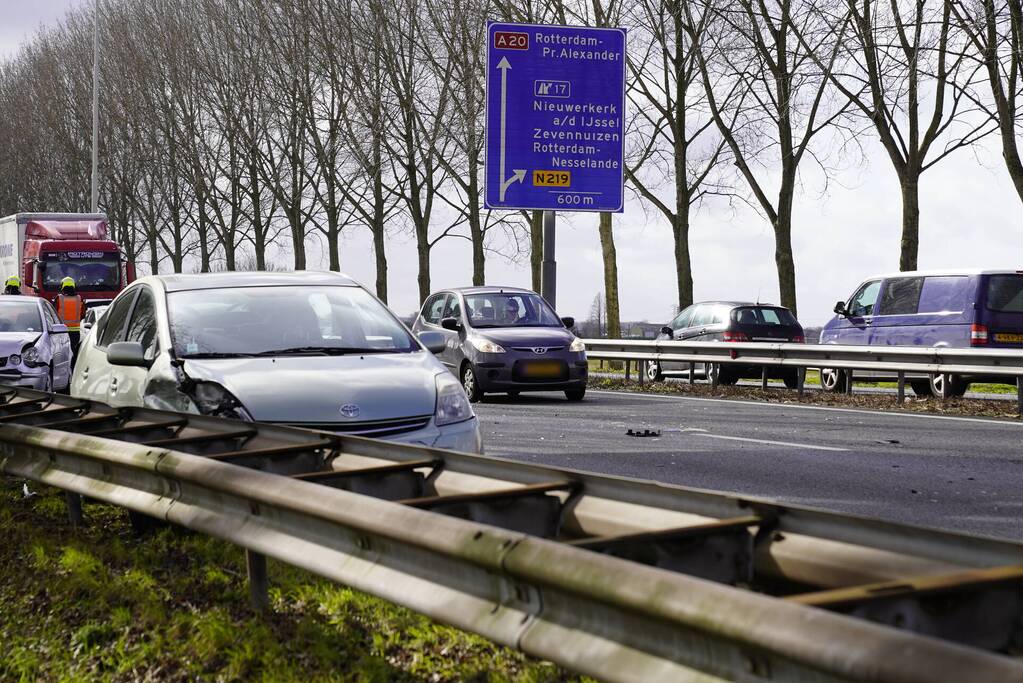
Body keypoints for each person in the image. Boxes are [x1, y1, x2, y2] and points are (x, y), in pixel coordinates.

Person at [56, 277, 84, 365]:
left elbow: (54, 314)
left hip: (61, 331)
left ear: (62, 286)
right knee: (74, 353)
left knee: (61, 354)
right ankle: (74, 368)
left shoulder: (59, 298)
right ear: (74, 286)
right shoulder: (79, 298)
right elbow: (83, 314)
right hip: (75, 332)